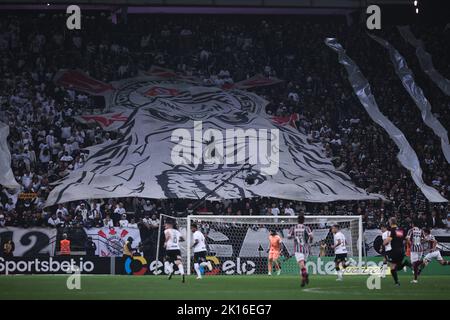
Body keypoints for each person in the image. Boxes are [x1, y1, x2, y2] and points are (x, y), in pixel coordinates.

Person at [383, 217, 411, 286]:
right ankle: (405, 263)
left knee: (392, 267)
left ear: (390, 223)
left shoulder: (392, 230)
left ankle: (397, 282)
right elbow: (407, 239)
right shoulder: (400, 230)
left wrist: (384, 243)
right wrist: (408, 246)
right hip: (402, 251)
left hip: (395, 251)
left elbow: (387, 241)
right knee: (397, 267)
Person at [288, 215, 312, 287]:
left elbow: (288, 236)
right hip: (306, 250)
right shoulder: (307, 228)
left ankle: (306, 275)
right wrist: (309, 241)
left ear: (297, 220)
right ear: (303, 220)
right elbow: (311, 236)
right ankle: (303, 279)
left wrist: (295, 237)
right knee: (303, 265)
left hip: (298, 249)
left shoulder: (293, 228)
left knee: (301, 266)